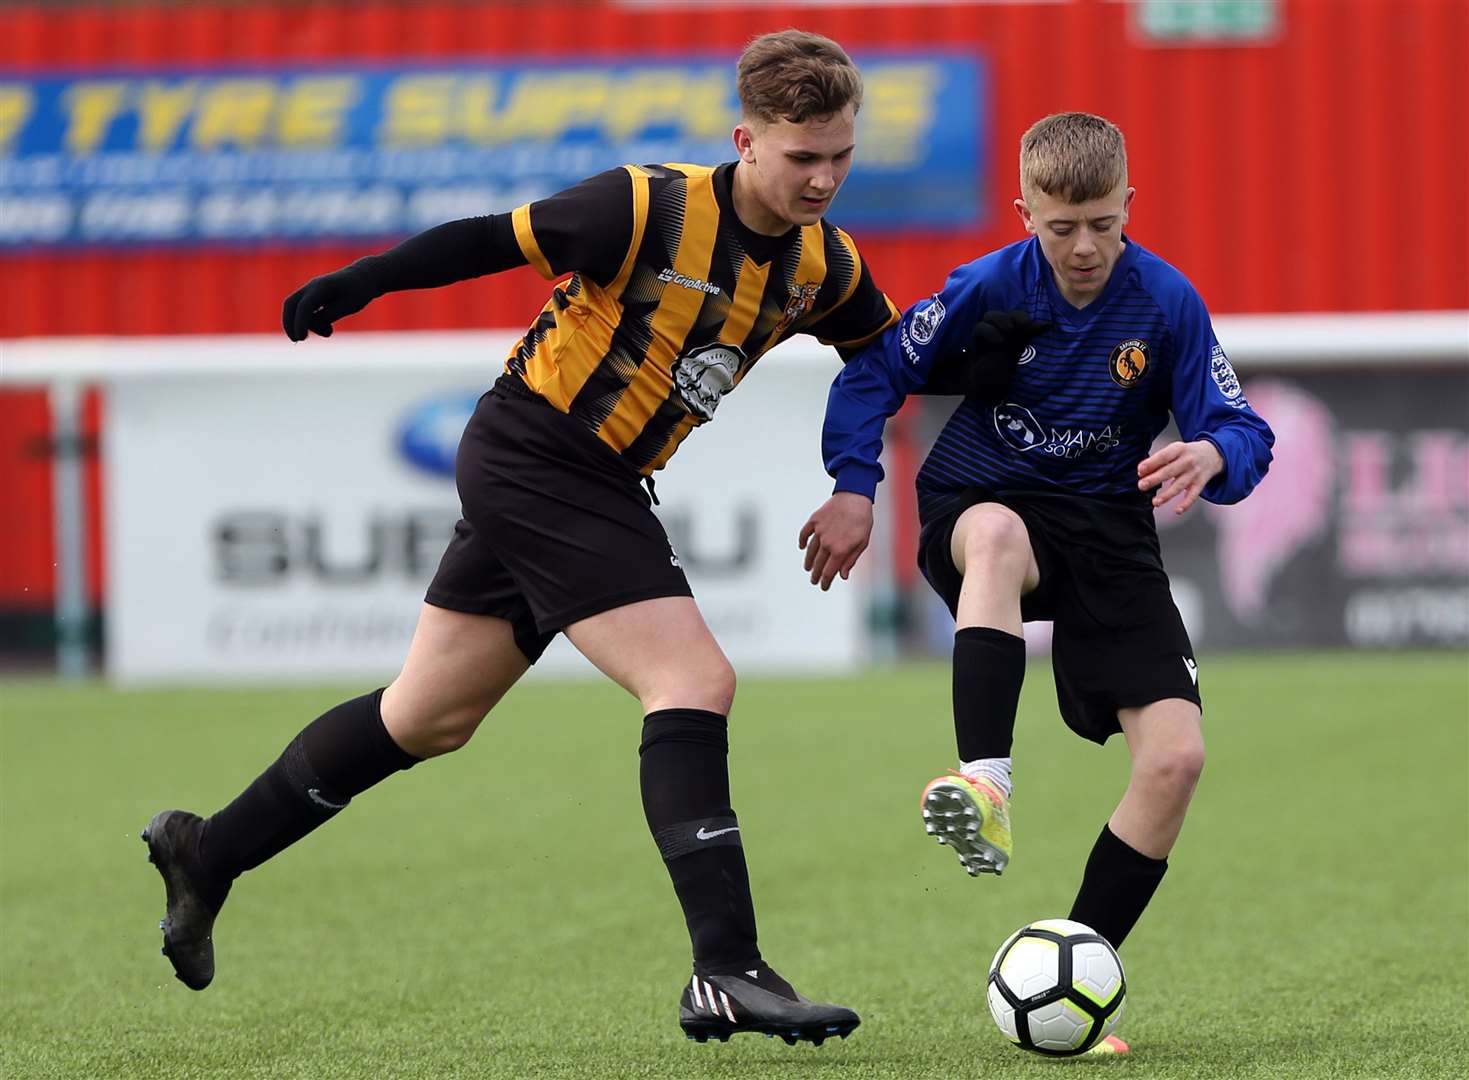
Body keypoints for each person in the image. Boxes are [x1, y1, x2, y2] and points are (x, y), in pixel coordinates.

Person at [143, 29, 898, 1047]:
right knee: (692, 680)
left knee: (426, 715)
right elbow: (486, 238)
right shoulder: (647, 205)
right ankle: (726, 967)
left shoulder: (825, 265)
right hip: (536, 453)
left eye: (838, 156)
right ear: (745, 141)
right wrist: (359, 282)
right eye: (800, 155)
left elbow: (882, 361)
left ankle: (210, 851)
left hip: (590, 476)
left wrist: (856, 484)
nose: (821, 178)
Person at [798, 112, 1274, 1052]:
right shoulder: (985, 286)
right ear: (1026, 216)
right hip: (987, 497)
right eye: (1061, 229)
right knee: (995, 539)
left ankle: (1074, 974)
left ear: (1128, 206)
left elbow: (1242, 424)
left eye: (1102, 222)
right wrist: (855, 487)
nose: (1085, 246)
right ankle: (984, 783)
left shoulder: (1166, 301)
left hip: (1106, 529)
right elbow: (871, 376)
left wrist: (1213, 455)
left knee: (1175, 761)